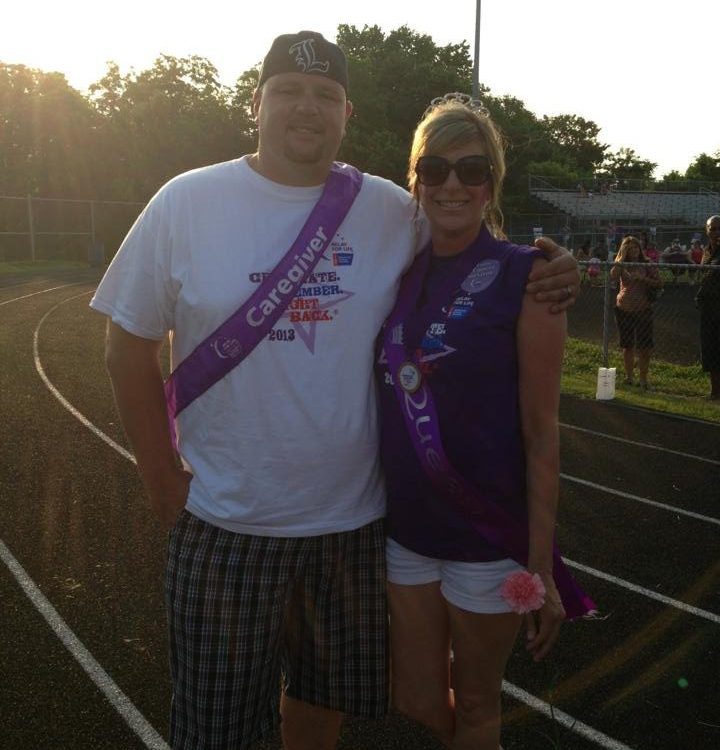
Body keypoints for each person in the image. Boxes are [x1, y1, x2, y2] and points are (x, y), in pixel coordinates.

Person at [89, 31, 581, 750]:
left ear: (347, 114)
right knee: (216, 727)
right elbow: (124, 345)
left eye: (326, 96)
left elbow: (465, 227)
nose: (307, 108)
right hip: (230, 522)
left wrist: (553, 264)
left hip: (352, 529)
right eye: (289, 91)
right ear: (255, 103)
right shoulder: (185, 202)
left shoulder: (387, 209)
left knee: (321, 711)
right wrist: (160, 475)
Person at [375, 94, 595, 750]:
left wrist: (541, 561)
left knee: (476, 705)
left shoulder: (528, 276)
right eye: (436, 169)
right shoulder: (399, 270)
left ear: (491, 183)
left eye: (472, 171)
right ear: (415, 179)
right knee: (415, 697)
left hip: (486, 541)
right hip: (408, 532)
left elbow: (541, 429)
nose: (452, 185)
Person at [610, 235, 662, 389]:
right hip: (624, 308)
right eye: (629, 248)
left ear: (640, 249)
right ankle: (629, 377)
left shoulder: (647, 264)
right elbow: (612, 276)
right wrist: (621, 259)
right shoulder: (621, 264)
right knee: (627, 346)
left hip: (643, 309)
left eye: (635, 248)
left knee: (645, 347)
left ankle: (643, 379)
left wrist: (642, 278)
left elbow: (659, 283)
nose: (633, 251)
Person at [696, 215, 720, 399]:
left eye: (719, 228)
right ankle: (715, 392)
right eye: (713, 229)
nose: (716, 232)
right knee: (710, 349)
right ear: (707, 231)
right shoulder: (706, 251)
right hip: (709, 307)